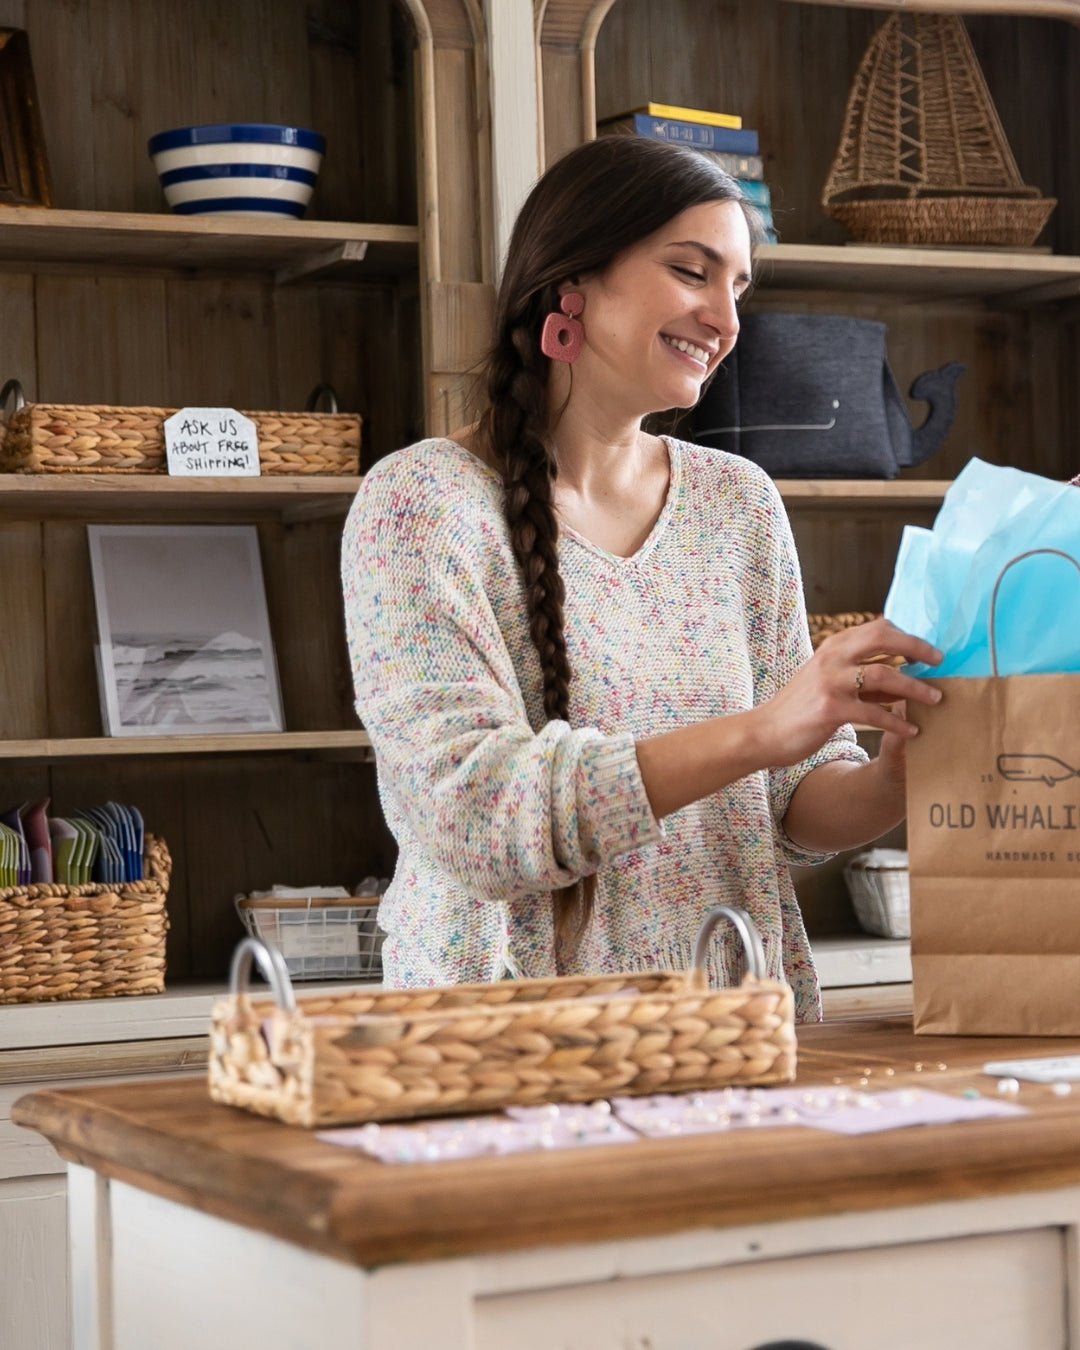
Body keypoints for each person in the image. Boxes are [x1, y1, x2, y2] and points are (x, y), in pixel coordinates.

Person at [342, 134, 941, 1020]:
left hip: (732, 1027)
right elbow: (473, 817)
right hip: (499, 1056)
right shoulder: (420, 503)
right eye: (692, 272)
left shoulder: (738, 504)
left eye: (738, 288)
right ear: (569, 282)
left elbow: (794, 803)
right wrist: (763, 729)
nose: (726, 320)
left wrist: (897, 773)